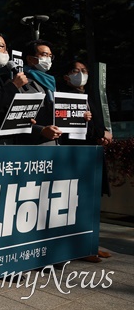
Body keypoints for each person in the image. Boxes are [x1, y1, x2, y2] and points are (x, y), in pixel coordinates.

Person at [60, 60, 112, 262]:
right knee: (76, 203)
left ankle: (91, 244)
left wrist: (100, 133)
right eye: (75, 71)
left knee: (91, 201)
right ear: (66, 76)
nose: (80, 74)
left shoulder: (90, 96)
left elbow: (98, 124)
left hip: (93, 153)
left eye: (84, 71)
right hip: (74, 157)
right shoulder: (63, 96)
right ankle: (80, 248)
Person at [17, 40, 63, 145]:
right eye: (44, 55)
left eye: (50, 56)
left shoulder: (50, 82)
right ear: (29, 58)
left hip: (54, 143)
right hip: (33, 145)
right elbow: (16, 119)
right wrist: (40, 130)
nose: (48, 59)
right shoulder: (20, 82)